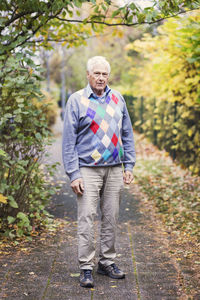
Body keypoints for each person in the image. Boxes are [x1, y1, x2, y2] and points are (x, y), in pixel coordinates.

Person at [62, 56, 136, 288]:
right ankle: (85, 267)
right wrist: (74, 174)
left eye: (104, 73)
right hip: (87, 170)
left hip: (114, 168)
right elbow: (68, 141)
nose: (101, 77)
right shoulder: (77, 100)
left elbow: (127, 133)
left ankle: (107, 262)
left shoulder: (118, 98)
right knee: (86, 218)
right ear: (88, 75)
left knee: (111, 217)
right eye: (97, 73)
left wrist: (129, 165)